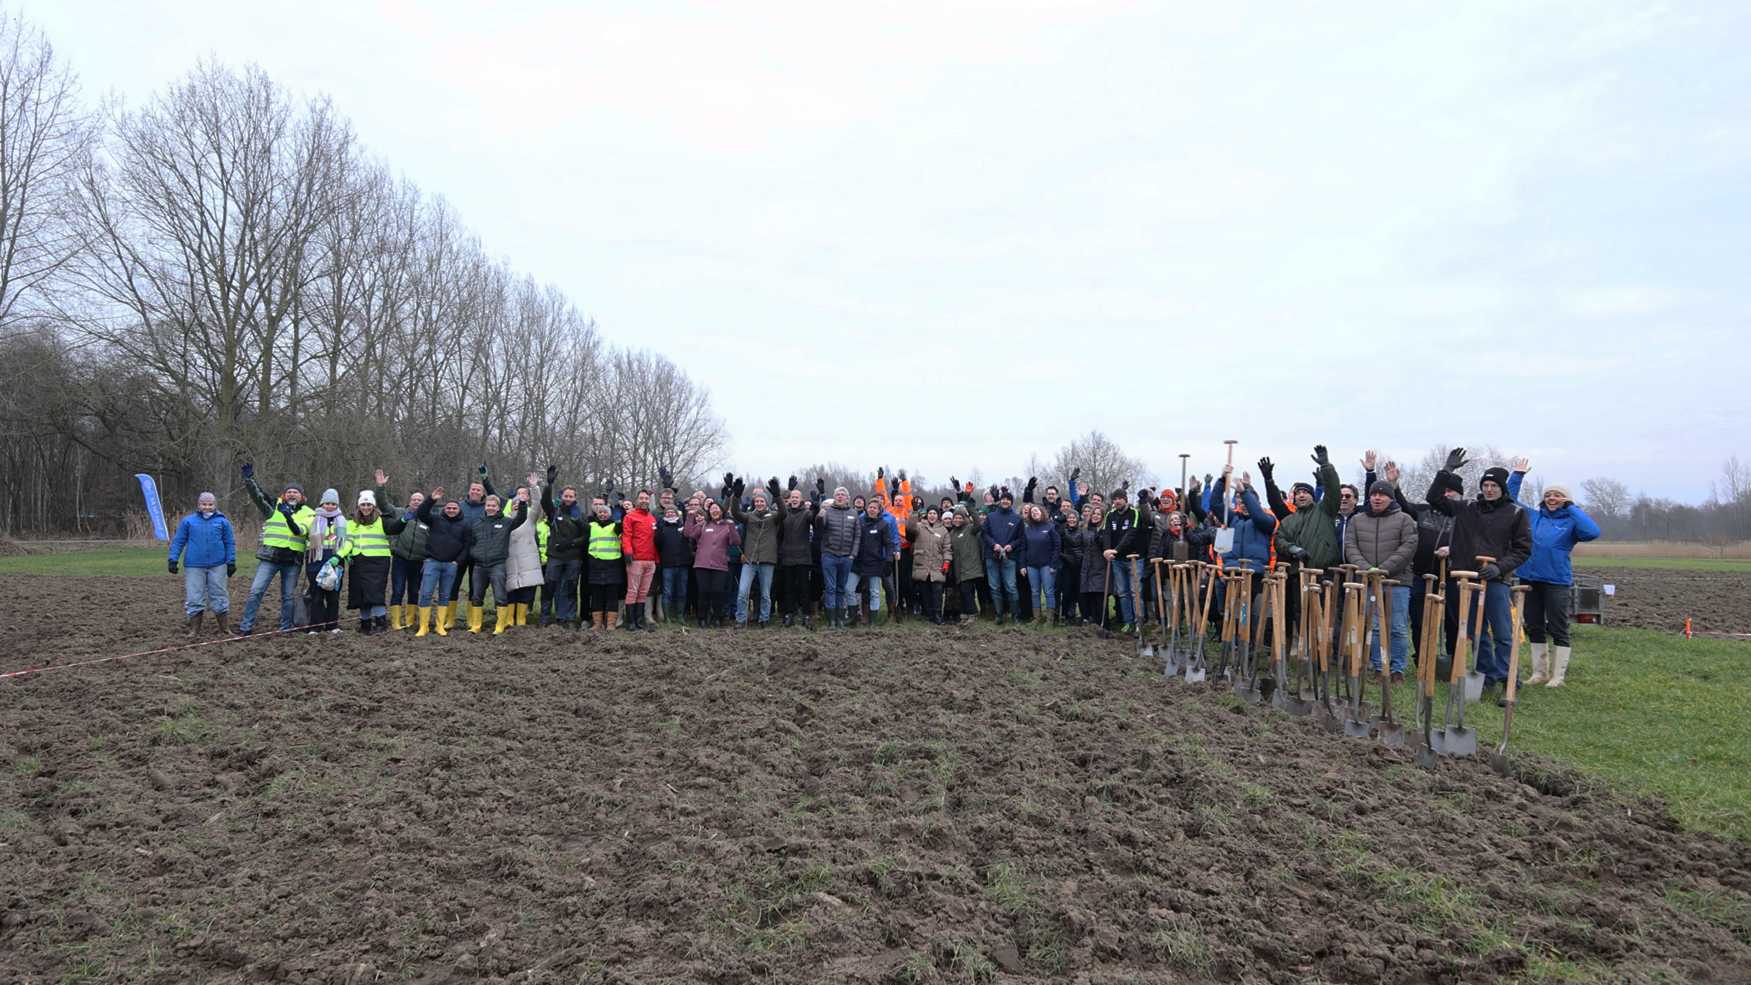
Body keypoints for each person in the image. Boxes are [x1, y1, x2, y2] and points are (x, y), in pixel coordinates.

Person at [1426, 449, 1532, 696]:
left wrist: (1499, 568)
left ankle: (1508, 676)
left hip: (1495, 580)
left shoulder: (1515, 513)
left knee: (1503, 633)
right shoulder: (1468, 508)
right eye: (1485, 484)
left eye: (1494, 485)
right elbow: (1434, 498)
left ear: (1502, 488)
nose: (1489, 489)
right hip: (1468, 579)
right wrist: (1447, 471)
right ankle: (1486, 675)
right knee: (1477, 632)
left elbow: (1522, 549)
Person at [1508, 460, 1601, 688]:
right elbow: (1509, 500)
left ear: (1566, 499)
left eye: (1558, 495)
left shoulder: (1572, 522)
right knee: (1534, 624)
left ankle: (1558, 676)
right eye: (1548, 495)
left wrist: (1570, 507)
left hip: (1556, 581)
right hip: (1529, 578)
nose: (1552, 498)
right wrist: (1517, 475)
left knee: (1558, 626)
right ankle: (1540, 672)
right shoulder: (1532, 516)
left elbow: (1592, 532)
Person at [1344, 480, 1418, 681]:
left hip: (1398, 581)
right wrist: (1368, 569)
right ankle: (1378, 666)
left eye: (1382, 494)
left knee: (1398, 628)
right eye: (1374, 494)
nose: (1377, 498)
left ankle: (1397, 669)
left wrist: (1384, 569)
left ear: (1390, 498)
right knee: (1374, 626)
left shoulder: (1404, 519)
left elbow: (1408, 546)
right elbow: (1350, 546)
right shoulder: (1357, 520)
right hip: (1369, 580)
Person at [237, 463, 315, 635]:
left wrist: (288, 517)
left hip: (292, 560)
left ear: (302, 497)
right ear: (284, 495)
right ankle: (245, 626)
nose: (292, 494)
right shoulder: (274, 506)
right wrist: (249, 479)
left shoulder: (310, 513)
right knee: (256, 591)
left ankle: (285, 627)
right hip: (270, 557)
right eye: (289, 492)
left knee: (288, 596)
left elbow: (300, 531)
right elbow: (258, 496)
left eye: (295, 492)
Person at [167, 491, 235, 639]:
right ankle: (194, 630)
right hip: (194, 565)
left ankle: (224, 629)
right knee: (194, 596)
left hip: (218, 564)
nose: (207, 507)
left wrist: (231, 561)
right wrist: (173, 559)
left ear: (215, 505)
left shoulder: (223, 522)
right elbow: (179, 541)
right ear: (198, 505)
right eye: (204, 504)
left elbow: (229, 543)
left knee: (219, 595)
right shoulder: (188, 522)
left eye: (210, 504)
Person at [339, 489, 402, 634]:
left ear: (373, 506)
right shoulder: (351, 523)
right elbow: (348, 542)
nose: (366, 507)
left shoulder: (382, 520)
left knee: (375, 593)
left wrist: (404, 520)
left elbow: (395, 528)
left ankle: (381, 623)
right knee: (360, 593)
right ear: (359, 506)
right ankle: (365, 623)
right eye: (363, 505)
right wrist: (340, 555)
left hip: (378, 562)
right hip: (358, 561)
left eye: (368, 504)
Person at [413, 488, 475, 637]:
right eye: (448, 508)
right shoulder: (435, 519)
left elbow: (467, 546)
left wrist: (457, 562)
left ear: (459, 510)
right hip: (432, 562)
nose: (451, 510)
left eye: (454, 508)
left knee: (445, 595)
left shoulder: (465, 525)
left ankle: (440, 626)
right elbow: (421, 513)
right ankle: (423, 626)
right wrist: (431, 499)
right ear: (444, 509)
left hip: (450, 565)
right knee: (426, 594)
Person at [374, 473, 426, 632]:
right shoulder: (398, 512)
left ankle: (410, 620)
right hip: (400, 558)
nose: (416, 502)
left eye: (420, 500)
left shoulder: (428, 519)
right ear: (409, 502)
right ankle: (396, 621)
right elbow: (383, 504)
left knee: (414, 590)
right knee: (397, 589)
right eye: (414, 499)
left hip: (419, 561)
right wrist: (380, 487)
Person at [731, 477, 782, 627]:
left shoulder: (773, 517)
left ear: (766, 503)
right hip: (749, 561)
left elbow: (783, 512)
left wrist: (777, 496)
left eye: (762, 501)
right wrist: (736, 496)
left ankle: (764, 619)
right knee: (742, 592)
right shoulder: (749, 517)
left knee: (765, 594)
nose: (759, 503)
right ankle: (740, 619)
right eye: (757, 501)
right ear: (754, 503)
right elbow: (735, 512)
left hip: (767, 561)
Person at [449, 466, 495, 629]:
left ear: (483, 494)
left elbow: (496, 497)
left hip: (478, 552)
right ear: (469, 491)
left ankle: (471, 619)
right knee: (453, 584)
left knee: (475, 586)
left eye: (478, 490)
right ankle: (450, 619)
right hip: (459, 552)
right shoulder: (459, 506)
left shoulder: (487, 508)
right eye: (473, 489)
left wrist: (486, 479)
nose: (475, 491)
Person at [541, 469, 587, 628]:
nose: (568, 498)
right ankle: (545, 616)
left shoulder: (580, 514)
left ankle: (569, 618)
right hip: (555, 556)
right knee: (550, 586)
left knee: (570, 588)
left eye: (571, 496)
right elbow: (544, 502)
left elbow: (585, 536)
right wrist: (549, 484)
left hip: (573, 557)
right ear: (561, 497)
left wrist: (571, 544)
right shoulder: (555, 511)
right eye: (565, 496)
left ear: (575, 498)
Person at [1100, 487, 1151, 633]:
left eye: (1119, 498)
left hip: (1135, 559)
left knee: (1136, 591)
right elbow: (1106, 533)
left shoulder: (1134, 513)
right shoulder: (1110, 514)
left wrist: (1116, 549)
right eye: (1114, 499)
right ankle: (1128, 622)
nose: (1117, 501)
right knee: (1122, 592)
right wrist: (1106, 550)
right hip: (1117, 560)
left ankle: (1138, 622)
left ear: (1125, 499)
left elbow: (1131, 534)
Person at [685, 499, 741, 627]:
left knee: (718, 592)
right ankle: (702, 618)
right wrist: (689, 517)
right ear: (709, 512)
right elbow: (688, 534)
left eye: (717, 508)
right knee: (703, 592)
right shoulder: (703, 525)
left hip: (720, 565)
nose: (715, 511)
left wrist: (732, 526)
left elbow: (736, 542)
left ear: (722, 511)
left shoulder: (727, 526)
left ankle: (717, 618)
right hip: (701, 564)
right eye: (712, 509)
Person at [303, 488, 348, 634]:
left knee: (333, 596)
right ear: (322, 503)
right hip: (315, 560)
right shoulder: (312, 518)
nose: (330, 506)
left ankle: (332, 625)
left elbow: (346, 541)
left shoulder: (342, 521)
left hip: (335, 561)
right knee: (316, 595)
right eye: (327, 503)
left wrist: (339, 557)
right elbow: (302, 532)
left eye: (333, 504)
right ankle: (315, 626)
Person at [849, 497, 899, 623]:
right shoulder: (860, 522)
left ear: (879, 510)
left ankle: (873, 620)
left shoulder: (884, 524)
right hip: (859, 562)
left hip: (876, 563)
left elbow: (889, 543)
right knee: (851, 589)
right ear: (867, 508)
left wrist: (888, 560)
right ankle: (855, 616)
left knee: (875, 592)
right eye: (870, 507)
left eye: (874, 508)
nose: (872, 509)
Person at [817, 485, 860, 629]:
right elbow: (820, 530)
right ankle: (831, 621)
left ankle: (840, 619)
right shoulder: (827, 512)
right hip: (829, 555)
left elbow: (857, 536)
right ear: (834, 497)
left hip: (847, 557)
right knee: (830, 588)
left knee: (841, 588)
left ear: (847, 498)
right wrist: (819, 517)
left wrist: (853, 554)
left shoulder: (853, 513)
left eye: (843, 494)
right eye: (837, 494)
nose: (840, 496)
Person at [617, 487, 660, 631]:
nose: (644, 501)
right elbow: (626, 536)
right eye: (641, 498)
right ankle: (630, 621)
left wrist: (656, 559)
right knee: (633, 590)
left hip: (650, 560)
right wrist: (628, 552)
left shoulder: (652, 518)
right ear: (636, 500)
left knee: (644, 591)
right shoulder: (630, 517)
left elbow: (655, 540)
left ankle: (640, 619)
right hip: (636, 559)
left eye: (646, 499)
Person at [506, 477, 546, 629]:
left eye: (520, 503)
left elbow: (538, 505)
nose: (517, 505)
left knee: (527, 591)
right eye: (515, 503)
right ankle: (509, 619)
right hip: (510, 559)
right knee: (511, 590)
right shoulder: (506, 518)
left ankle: (521, 619)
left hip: (528, 558)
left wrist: (534, 488)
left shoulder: (530, 516)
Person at [776, 480, 818, 627]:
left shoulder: (806, 513)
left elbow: (814, 520)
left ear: (800, 499)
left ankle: (806, 615)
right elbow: (779, 535)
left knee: (804, 588)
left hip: (803, 558)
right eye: (792, 497)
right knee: (788, 588)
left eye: (796, 497)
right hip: (787, 557)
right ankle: (789, 614)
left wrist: (816, 507)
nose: (794, 499)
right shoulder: (784, 515)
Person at [981, 489, 1024, 624]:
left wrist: (1011, 545)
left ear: (1011, 502)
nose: (1005, 501)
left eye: (1008, 499)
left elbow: (1021, 537)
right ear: (1000, 501)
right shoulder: (991, 517)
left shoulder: (1017, 519)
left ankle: (1015, 615)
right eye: (1003, 499)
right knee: (994, 587)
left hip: (1009, 557)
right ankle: (999, 615)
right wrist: (994, 545)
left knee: (1011, 587)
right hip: (992, 556)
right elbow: (985, 534)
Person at [906, 506, 952, 624]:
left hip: (937, 566)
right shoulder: (920, 526)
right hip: (922, 565)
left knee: (937, 592)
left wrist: (946, 562)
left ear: (938, 516)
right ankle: (929, 614)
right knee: (925, 593)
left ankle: (937, 615)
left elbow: (947, 548)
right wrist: (914, 513)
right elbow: (909, 530)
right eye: (930, 513)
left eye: (934, 513)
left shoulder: (943, 530)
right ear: (927, 515)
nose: (932, 515)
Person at [583, 497, 624, 630]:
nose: (602, 514)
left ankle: (611, 624)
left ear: (610, 514)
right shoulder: (591, 525)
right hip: (595, 564)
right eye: (600, 512)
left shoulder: (615, 526)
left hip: (612, 565)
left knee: (612, 595)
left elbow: (623, 522)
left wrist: (621, 508)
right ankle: (597, 623)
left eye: (605, 512)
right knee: (596, 596)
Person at [1020, 502, 1062, 625]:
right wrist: (1022, 565)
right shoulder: (1027, 529)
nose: (1035, 514)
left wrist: (1053, 564)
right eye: (1032, 513)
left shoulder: (1050, 527)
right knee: (1035, 592)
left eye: (1036, 511)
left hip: (1047, 565)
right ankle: (1037, 618)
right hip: (1031, 566)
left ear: (1042, 513)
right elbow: (1023, 548)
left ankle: (1050, 619)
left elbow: (1057, 546)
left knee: (1048, 591)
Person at [1073, 505, 1112, 625]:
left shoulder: (1105, 530)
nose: (1095, 516)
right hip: (1086, 566)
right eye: (1094, 513)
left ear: (1103, 517)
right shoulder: (1084, 530)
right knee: (1087, 595)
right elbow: (1077, 545)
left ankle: (1103, 623)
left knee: (1099, 596)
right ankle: (1090, 620)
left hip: (1100, 566)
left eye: (1099, 514)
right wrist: (1081, 557)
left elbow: (1107, 546)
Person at [655, 501, 693, 625]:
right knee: (668, 591)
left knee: (682, 591)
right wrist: (659, 528)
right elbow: (657, 542)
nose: (670, 513)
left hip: (683, 564)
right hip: (668, 565)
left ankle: (680, 615)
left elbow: (689, 538)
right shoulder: (662, 527)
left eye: (672, 512)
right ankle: (667, 617)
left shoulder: (682, 526)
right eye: (667, 512)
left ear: (677, 514)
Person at [948, 506, 986, 625]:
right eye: (955, 518)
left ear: (964, 518)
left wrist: (969, 508)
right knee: (962, 591)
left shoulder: (970, 529)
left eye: (960, 518)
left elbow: (978, 524)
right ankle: (964, 614)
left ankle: (972, 613)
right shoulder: (952, 533)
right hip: (959, 568)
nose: (957, 520)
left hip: (971, 566)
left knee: (967, 591)